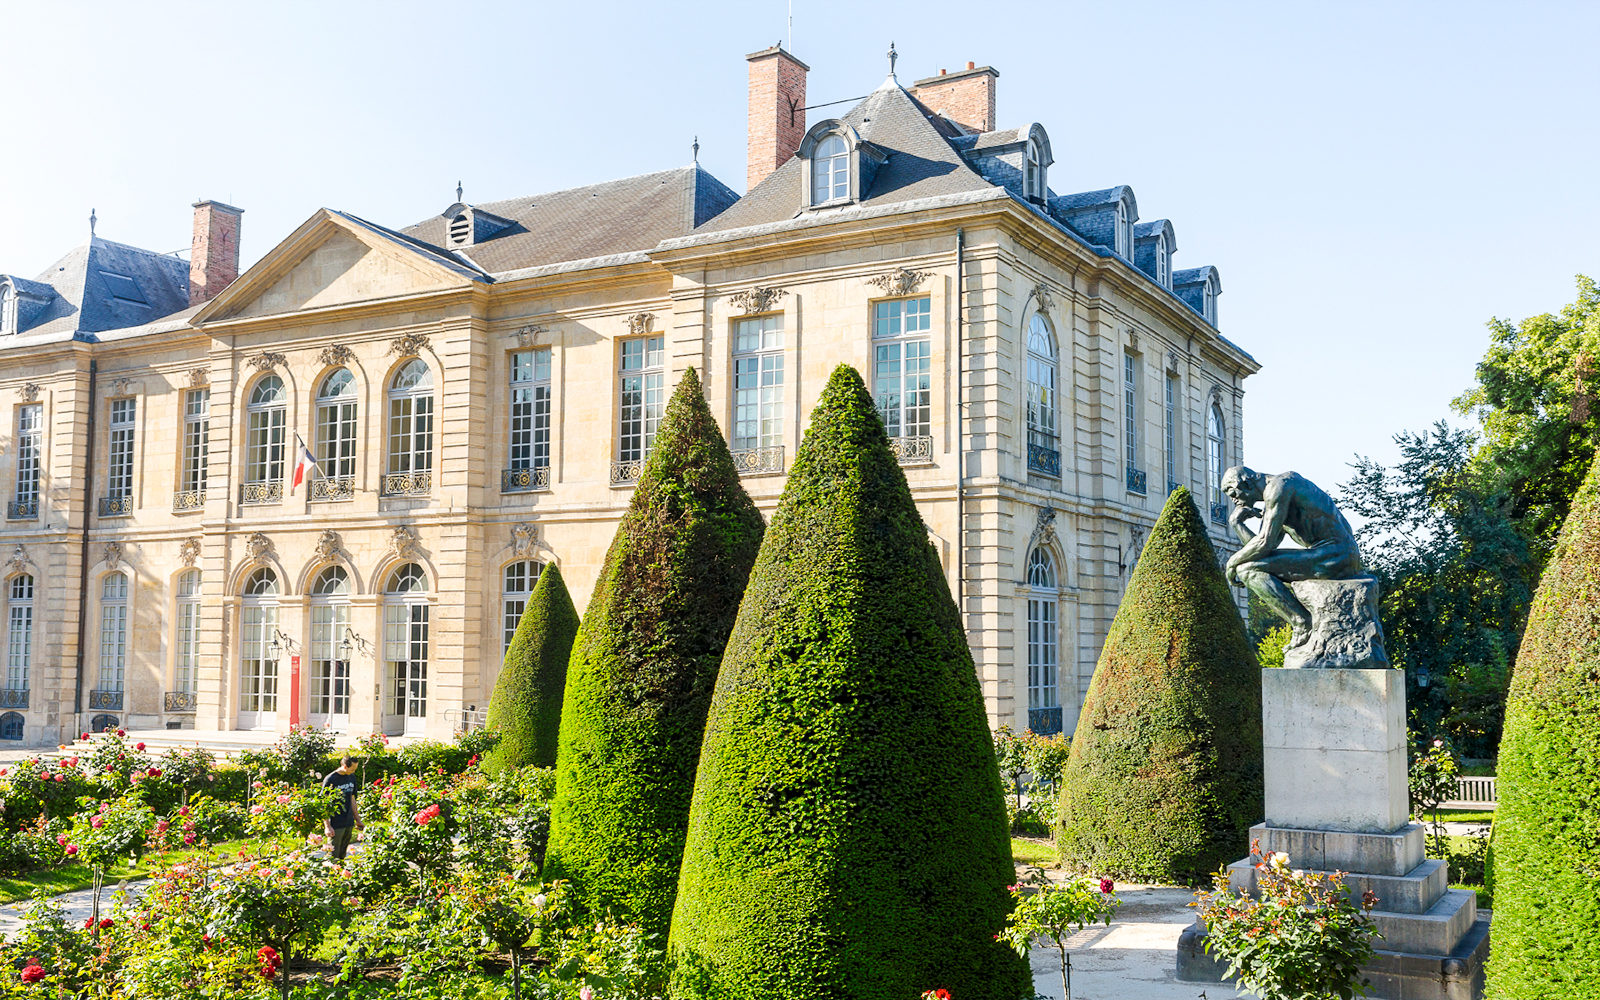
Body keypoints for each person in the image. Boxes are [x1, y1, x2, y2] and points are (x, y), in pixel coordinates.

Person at [1219, 466, 1364, 650]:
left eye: (1233, 493)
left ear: (1246, 483)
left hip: (1337, 555)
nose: (1233, 500)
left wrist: (1231, 564)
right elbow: (1262, 550)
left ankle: (1302, 622)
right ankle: (1302, 621)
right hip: (1328, 555)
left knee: (1245, 569)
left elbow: (1265, 542)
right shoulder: (1273, 498)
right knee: (1248, 567)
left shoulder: (1280, 487)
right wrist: (1236, 523)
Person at [321, 756, 363, 860]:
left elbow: (352, 799)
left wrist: (357, 820)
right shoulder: (331, 779)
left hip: (348, 822)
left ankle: (341, 875)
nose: (353, 771)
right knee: (332, 856)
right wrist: (327, 826)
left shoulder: (351, 777)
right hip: (335, 824)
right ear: (344, 766)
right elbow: (323, 803)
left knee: (342, 855)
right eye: (352, 769)